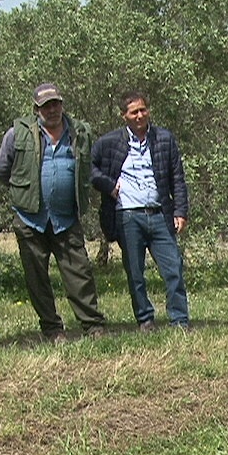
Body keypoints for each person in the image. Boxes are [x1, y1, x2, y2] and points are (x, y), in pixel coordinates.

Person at [0, 82, 107, 344]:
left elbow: (87, 169)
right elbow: (2, 169)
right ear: (36, 109)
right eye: (46, 105)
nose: (52, 109)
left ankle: (92, 325)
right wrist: (25, 192)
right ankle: (52, 329)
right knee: (37, 279)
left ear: (62, 104)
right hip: (29, 218)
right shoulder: (17, 133)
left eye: (56, 103)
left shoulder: (79, 133)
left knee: (79, 272)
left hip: (66, 217)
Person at [90, 91, 191, 330]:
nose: (139, 115)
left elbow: (177, 177)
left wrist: (180, 211)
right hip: (128, 216)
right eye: (134, 111)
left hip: (159, 214)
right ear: (124, 115)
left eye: (143, 110)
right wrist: (109, 185)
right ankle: (145, 319)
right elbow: (89, 169)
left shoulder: (164, 139)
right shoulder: (109, 142)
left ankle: (180, 319)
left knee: (173, 268)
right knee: (135, 273)